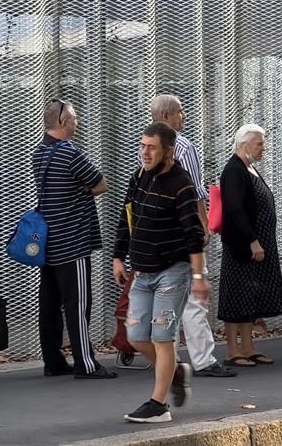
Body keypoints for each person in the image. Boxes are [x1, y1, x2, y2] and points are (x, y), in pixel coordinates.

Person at [114, 122, 207, 424]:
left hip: (173, 271)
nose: (144, 152)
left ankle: (159, 404)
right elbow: (127, 217)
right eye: (142, 146)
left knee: (162, 338)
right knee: (137, 336)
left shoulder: (181, 183)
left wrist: (198, 277)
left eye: (151, 147)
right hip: (143, 271)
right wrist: (118, 256)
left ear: (169, 151)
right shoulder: (139, 177)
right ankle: (177, 372)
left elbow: (194, 234)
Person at [146, 95, 234, 378]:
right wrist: (203, 223)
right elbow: (196, 190)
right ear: (169, 115)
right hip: (183, 228)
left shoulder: (146, 146)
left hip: (157, 232)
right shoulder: (181, 145)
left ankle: (166, 360)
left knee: (165, 298)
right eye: (180, 112)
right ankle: (203, 359)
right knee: (195, 296)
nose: (183, 116)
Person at [34, 99, 116, 379]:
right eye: (74, 117)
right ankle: (86, 364)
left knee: (49, 303)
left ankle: (53, 361)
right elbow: (100, 184)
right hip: (73, 239)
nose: (77, 121)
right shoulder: (71, 154)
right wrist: (81, 189)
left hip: (49, 241)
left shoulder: (39, 152)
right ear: (62, 122)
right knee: (78, 304)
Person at [216, 124, 282, 367]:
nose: (263, 148)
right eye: (260, 144)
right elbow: (235, 209)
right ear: (244, 144)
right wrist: (252, 240)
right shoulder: (234, 170)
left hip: (257, 245)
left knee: (249, 298)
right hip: (243, 246)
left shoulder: (249, 167)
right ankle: (233, 349)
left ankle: (248, 346)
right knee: (236, 296)